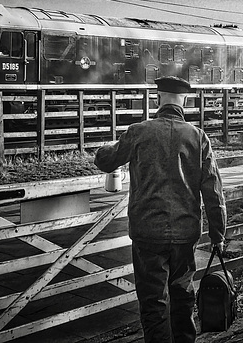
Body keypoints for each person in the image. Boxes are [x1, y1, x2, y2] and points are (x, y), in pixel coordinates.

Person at [94, 76, 227, 343]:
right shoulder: (198, 137)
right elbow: (213, 191)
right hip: (185, 233)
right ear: (185, 101)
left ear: (158, 99)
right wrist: (218, 234)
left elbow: (106, 161)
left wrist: (101, 150)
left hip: (147, 232)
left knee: (153, 303)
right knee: (183, 297)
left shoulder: (139, 131)